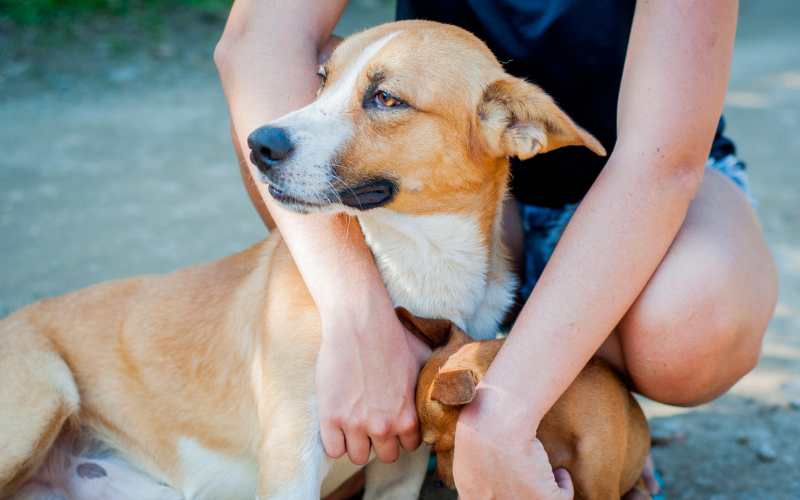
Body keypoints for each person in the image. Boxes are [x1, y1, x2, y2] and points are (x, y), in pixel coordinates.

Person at [214, 0, 779, 498]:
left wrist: (504, 418)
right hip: (466, 179)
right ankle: (419, 374)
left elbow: (661, 164)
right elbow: (258, 41)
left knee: (686, 328)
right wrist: (358, 317)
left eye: (380, 97)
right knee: (356, 444)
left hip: (633, 178)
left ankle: (591, 403)